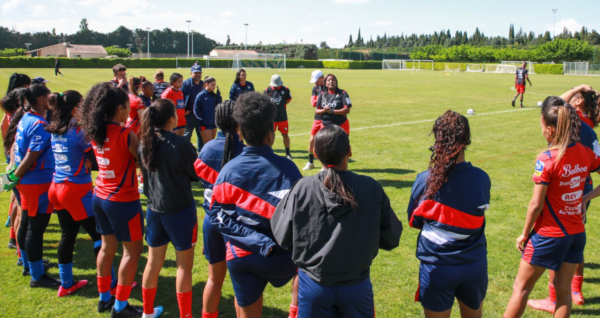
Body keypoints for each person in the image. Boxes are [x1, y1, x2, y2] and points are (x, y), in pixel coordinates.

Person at [272, 125, 403, 318]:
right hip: (355, 286)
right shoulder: (370, 187)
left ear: (315, 153)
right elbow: (391, 236)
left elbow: (282, 235)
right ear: (349, 151)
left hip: (314, 286)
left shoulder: (303, 188)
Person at [503, 97, 600, 318]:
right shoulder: (585, 152)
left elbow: (536, 204)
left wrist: (524, 233)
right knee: (563, 292)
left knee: (521, 288)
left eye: (541, 127)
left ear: (550, 129)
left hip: (549, 234)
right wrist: (585, 198)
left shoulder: (547, 158)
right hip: (576, 234)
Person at [211, 92, 301, 318]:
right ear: (271, 135)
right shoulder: (289, 170)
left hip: (244, 256)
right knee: (307, 267)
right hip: (284, 257)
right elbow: (302, 219)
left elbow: (218, 216)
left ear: (240, 132)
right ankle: (294, 311)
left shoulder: (227, 172)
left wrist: (256, 241)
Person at [407, 110, 490, 318]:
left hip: (437, 267)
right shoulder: (481, 179)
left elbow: (414, 220)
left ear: (438, 140)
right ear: (467, 140)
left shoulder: (425, 180)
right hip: (474, 265)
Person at [80, 83, 144, 317]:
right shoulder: (126, 134)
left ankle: (104, 298)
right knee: (132, 252)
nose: (130, 111)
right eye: (128, 107)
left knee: (107, 247)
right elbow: (144, 161)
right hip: (123, 200)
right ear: (119, 108)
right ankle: (121, 306)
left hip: (100, 196)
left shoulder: (96, 130)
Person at [138, 99, 200, 318]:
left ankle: (147, 312)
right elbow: (197, 173)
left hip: (155, 209)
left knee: (153, 263)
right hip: (180, 211)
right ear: (172, 118)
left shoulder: (144, 141)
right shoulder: (180, 143)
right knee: (183, 267)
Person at [45, 90, 103, 297]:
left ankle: (66, 284)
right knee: (100, 237)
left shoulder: (55, 128)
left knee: (67, 235)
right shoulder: (78, 131)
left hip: (56, 187)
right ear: (75, 108)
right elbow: (99, 157)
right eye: (82, 104)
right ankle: (110, 284)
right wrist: (91, 162)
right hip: (75, 190)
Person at [195, 100, 245, 318]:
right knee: (242, 285)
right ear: (239, 122)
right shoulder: (244, 152)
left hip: (212, 221)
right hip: (237, 224)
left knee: (214, 279)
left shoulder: (206, 149)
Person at [7, 84, 58, 287]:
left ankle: (29, 262)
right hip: (36, 182)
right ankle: (37, 275)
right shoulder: (38, 123)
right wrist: (15, 176)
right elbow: (31, 156)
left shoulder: (26, 117)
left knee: (27, 223)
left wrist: (15, 177)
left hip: (28, 181)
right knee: (35, 230)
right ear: (43, 100)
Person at [264, 74, 293, 159]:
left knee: (285, 135)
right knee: (270, 134)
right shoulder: (267, 90)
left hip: (282, 117)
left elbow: (288, 100)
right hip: (271, 118)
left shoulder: (285, 89)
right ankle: (269, 152)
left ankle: (288, 153)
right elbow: (265, 102)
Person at [302, 70, 325, 171]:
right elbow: (313, 103)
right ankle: (311, 162)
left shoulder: (329, 87)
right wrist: (321, 99)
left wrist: (319, 100)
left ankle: (325, 165)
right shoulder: (315, 88)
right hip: (317, 117)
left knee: (324, 141)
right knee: (312, 140)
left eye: (316, 80)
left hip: (327, 118)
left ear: (322, 77)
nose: (315, 83)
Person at [181, 64, 205, 151]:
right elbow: (180, 98)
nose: (197, 75)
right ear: (191, 73)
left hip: (200, 115)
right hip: (189, 115)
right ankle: (186, 153)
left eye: (199, 73)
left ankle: (201, 154)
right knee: (187, 136)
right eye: (195, 73)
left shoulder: (203, 84)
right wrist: (183, 110)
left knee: (201, 136)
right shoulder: (186, 84)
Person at [194, 77, 222, 144]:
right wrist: (201, 120)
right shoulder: (201, 95)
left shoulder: (213, 95)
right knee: (208, 144)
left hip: (213, 123)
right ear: (206, 84)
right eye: (212, 85)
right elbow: (196, 109)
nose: (214, 87)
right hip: (205, 124)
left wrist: (218, 95)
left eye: (214, 85)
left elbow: (219, 105)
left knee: (212, 143)